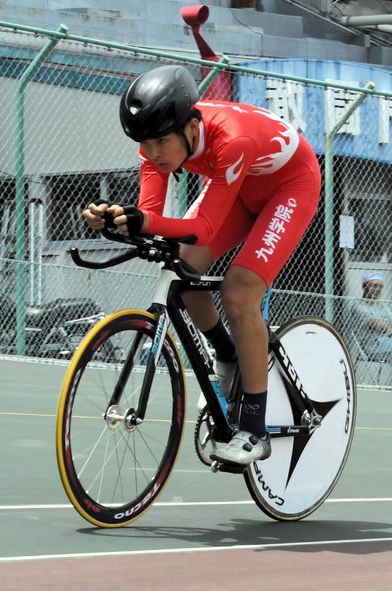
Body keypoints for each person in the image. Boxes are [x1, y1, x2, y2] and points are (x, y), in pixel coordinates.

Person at [82, 65, 320, 467]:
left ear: (192, 128)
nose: (154, 153)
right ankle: (227, 352)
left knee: (239, 290)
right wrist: (117, 220)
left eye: (161, 141)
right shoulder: (156, 145)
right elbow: (151, 216)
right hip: (240, 186)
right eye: (146, 143)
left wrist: (142, 220)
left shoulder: (231, 139)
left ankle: (254, 429)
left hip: (289, 188)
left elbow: (204, 226)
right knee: (182, 266)